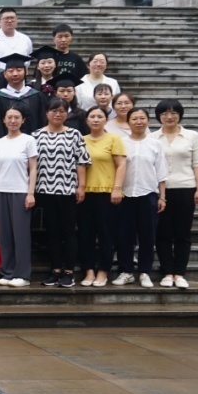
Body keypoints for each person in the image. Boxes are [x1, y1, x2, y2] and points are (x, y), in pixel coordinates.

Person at [32, 99, 91, 287]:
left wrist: (81, 187)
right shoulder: (36, 136)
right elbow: (32, 165)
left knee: (69, 231)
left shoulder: (74, 134)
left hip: (68, 190)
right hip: (45, 190)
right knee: (52, 231)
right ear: (46, 113)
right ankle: (55, 269)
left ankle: (69, 271)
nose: (58, 114)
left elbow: (81, 162)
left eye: (62, 111)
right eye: (54, 110)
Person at [112, 108, 168, 288]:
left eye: (142, 118)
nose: (138, 122)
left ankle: (145, 272)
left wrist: (162, 197)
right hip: (125, 194)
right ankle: (126, 271)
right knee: (124, 235)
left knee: (147, 236)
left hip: (148, 194)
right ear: (128, 122)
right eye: (134, 118)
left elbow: (161, 172)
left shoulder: (155, 144)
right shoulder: (120, 143)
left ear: (148, 121)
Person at [155, 99, 198, 288]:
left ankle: (180, 273)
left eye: (173, 113)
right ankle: (167, 272)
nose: (169, 117)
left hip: (186, 188)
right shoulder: (152, 137)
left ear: (180, 115)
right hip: (161, 191)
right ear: (159, 116)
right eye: (165, 113)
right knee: (163, 233)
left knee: (183, 233)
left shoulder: (192, 136)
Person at [79, 106, 127, 288]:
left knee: (106, 234)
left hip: (107, 193)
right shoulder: (81, 140)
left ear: (106, 120)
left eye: (100, 116)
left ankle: (103, 270)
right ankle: (89, 270)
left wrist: (117, 188)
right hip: (85, 193)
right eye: (92, 116)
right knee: (86, 234)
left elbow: (121, 165)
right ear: (86, 120)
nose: (96, 119)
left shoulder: (114, 139)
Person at [0, 107, 38, 288]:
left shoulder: (28, 140)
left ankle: (22, 274)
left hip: (20, 191)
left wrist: (30, 193)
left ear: (23, 120)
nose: (13, 121)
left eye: (16, 117)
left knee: (21, 234)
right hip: (0, 190)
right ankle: (7, 272)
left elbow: (33, 168)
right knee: (4, 234)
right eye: (9, 117)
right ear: (4, 120)